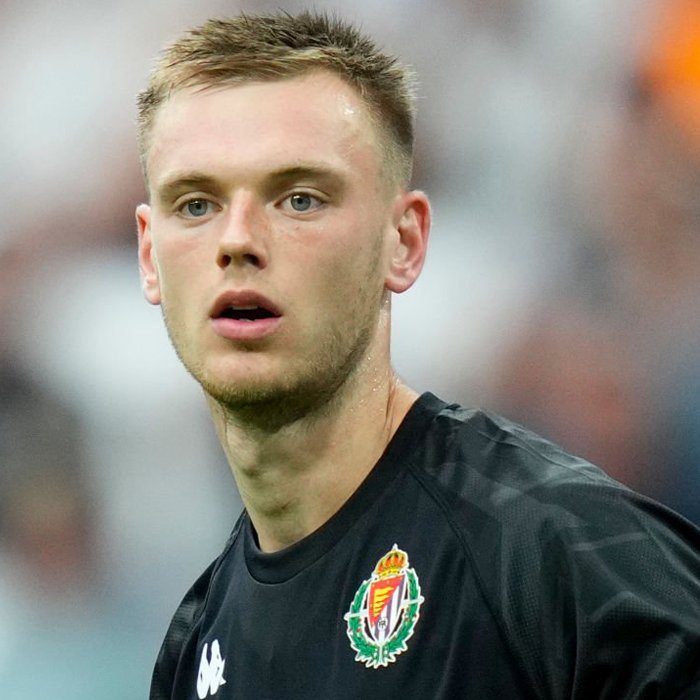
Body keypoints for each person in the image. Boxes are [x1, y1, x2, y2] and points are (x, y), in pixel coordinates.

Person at [135, 11, 700, 700]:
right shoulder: (196, 643)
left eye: (300, 199)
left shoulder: (553, 554)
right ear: (149, 256)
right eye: (196, 205)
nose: (238, 241)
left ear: (403, 242)